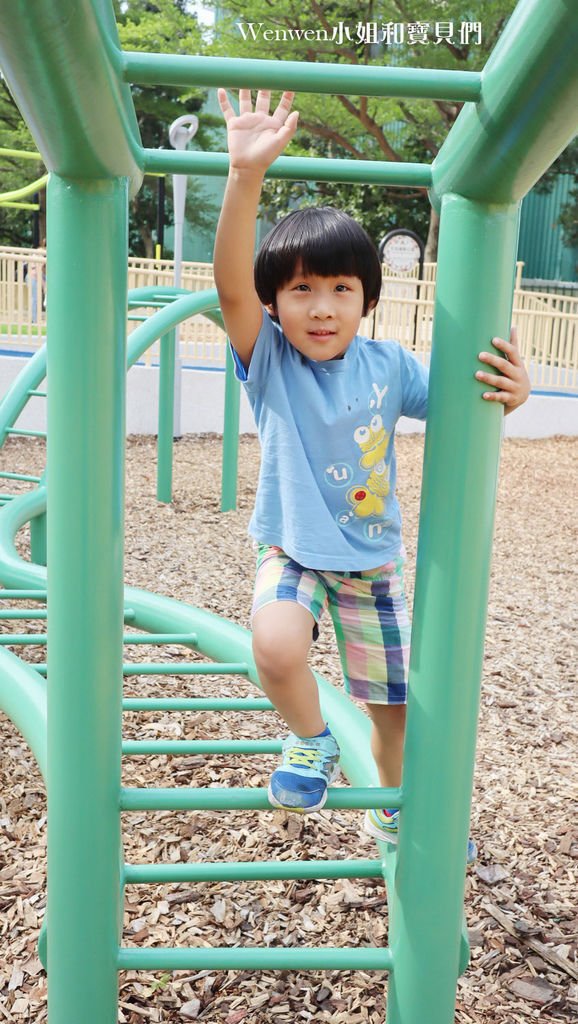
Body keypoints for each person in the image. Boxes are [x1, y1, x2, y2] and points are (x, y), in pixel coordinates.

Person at [213, 88, 531, 854]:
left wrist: (514, 394)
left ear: (368, 300)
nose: (321, 308)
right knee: (277, 646)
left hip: (371, 565)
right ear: (275, 303)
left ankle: (390, 807)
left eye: (341, 290)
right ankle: (312, 740)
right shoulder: (271, 362)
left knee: (393, 711)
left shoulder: (391, 365)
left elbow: (465, 405)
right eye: (300, 290)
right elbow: (228, 286)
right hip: (291, 547)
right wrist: (243, 175)